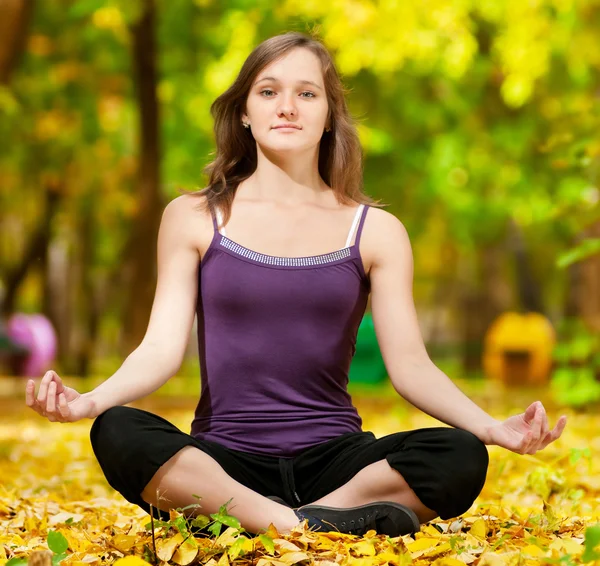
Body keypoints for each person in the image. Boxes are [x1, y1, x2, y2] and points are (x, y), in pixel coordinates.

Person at [25, 32, 567, 539]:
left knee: (460, 454)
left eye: (307, 93)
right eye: (268, 91)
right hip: (223, 461)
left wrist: (493, 429)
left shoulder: (375, 231)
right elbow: (161, 350)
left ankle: (281, 519)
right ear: (245, 111)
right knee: (118, 431)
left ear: (329, 115)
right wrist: (89, 403)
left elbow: (411, 367)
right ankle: (298, 523)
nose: (287, 106)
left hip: (338, 463)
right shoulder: (194, 216)